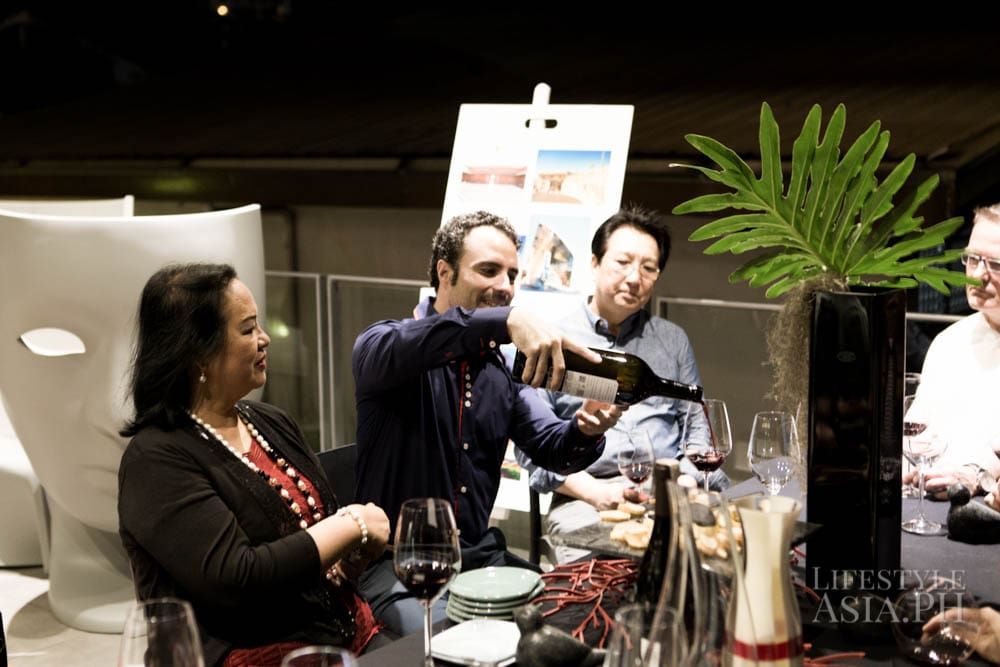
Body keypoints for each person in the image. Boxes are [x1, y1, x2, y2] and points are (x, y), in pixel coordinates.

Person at [352, 210, 623, 635]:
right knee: (455, 643)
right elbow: (426, 341)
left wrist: (586, 427)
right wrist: (506, 321)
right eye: (489, 270)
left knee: (582, 612)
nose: (505, 286)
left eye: (512, 274)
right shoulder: (386, 345)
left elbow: (553, 448)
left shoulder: (499, 369)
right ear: (444, 273)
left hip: (478, 557)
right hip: (397, 565)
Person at [117, 263, 392, 667]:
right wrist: (353, 524)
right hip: (259, 657)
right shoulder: (155, 459)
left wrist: (344, 561)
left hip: (348, 637)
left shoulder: (269, 421)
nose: (265, 339)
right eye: (247, 330)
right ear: (198, 353)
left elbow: (313, 540)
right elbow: (239, 577)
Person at [516, 205, 727, 563]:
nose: (634, 278)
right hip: (587, 497)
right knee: (608, 578)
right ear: (595, 263)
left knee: (720, 560)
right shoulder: (555, 341)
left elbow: (697, 428)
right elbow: (532, 448)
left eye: (648, 268)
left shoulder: (672, 340)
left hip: (670, 489)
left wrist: (687, 481)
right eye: (623, 262)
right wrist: (594, 492)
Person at [904, 203, 1000, 498]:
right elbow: (916, 434)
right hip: (927, 501)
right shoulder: (948, 342)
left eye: (996, 265)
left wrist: (975, 476)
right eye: (972, 259)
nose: (978, 275)